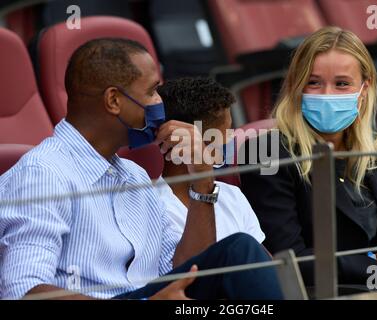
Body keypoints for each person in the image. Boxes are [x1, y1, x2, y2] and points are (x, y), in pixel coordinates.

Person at [0, 38, 283, 300]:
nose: (160, 103)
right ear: (113, 101)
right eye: (151, 92)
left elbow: (187, 271)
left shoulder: (134, 175)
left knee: (236, 252)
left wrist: (202, 179)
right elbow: (25, 290)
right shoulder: (43, 173)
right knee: (238, 251)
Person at [239, 26, 377, 289]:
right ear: (295, 85)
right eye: (313, 82)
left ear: (364, 89)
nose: (328, 95)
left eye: (341, 84)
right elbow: (289, 262)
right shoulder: (265, 153)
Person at [155, 77, 265, 244]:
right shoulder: (153, 207)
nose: (233, 139)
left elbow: (265, 265)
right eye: (227, 133)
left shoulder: (232, 195)